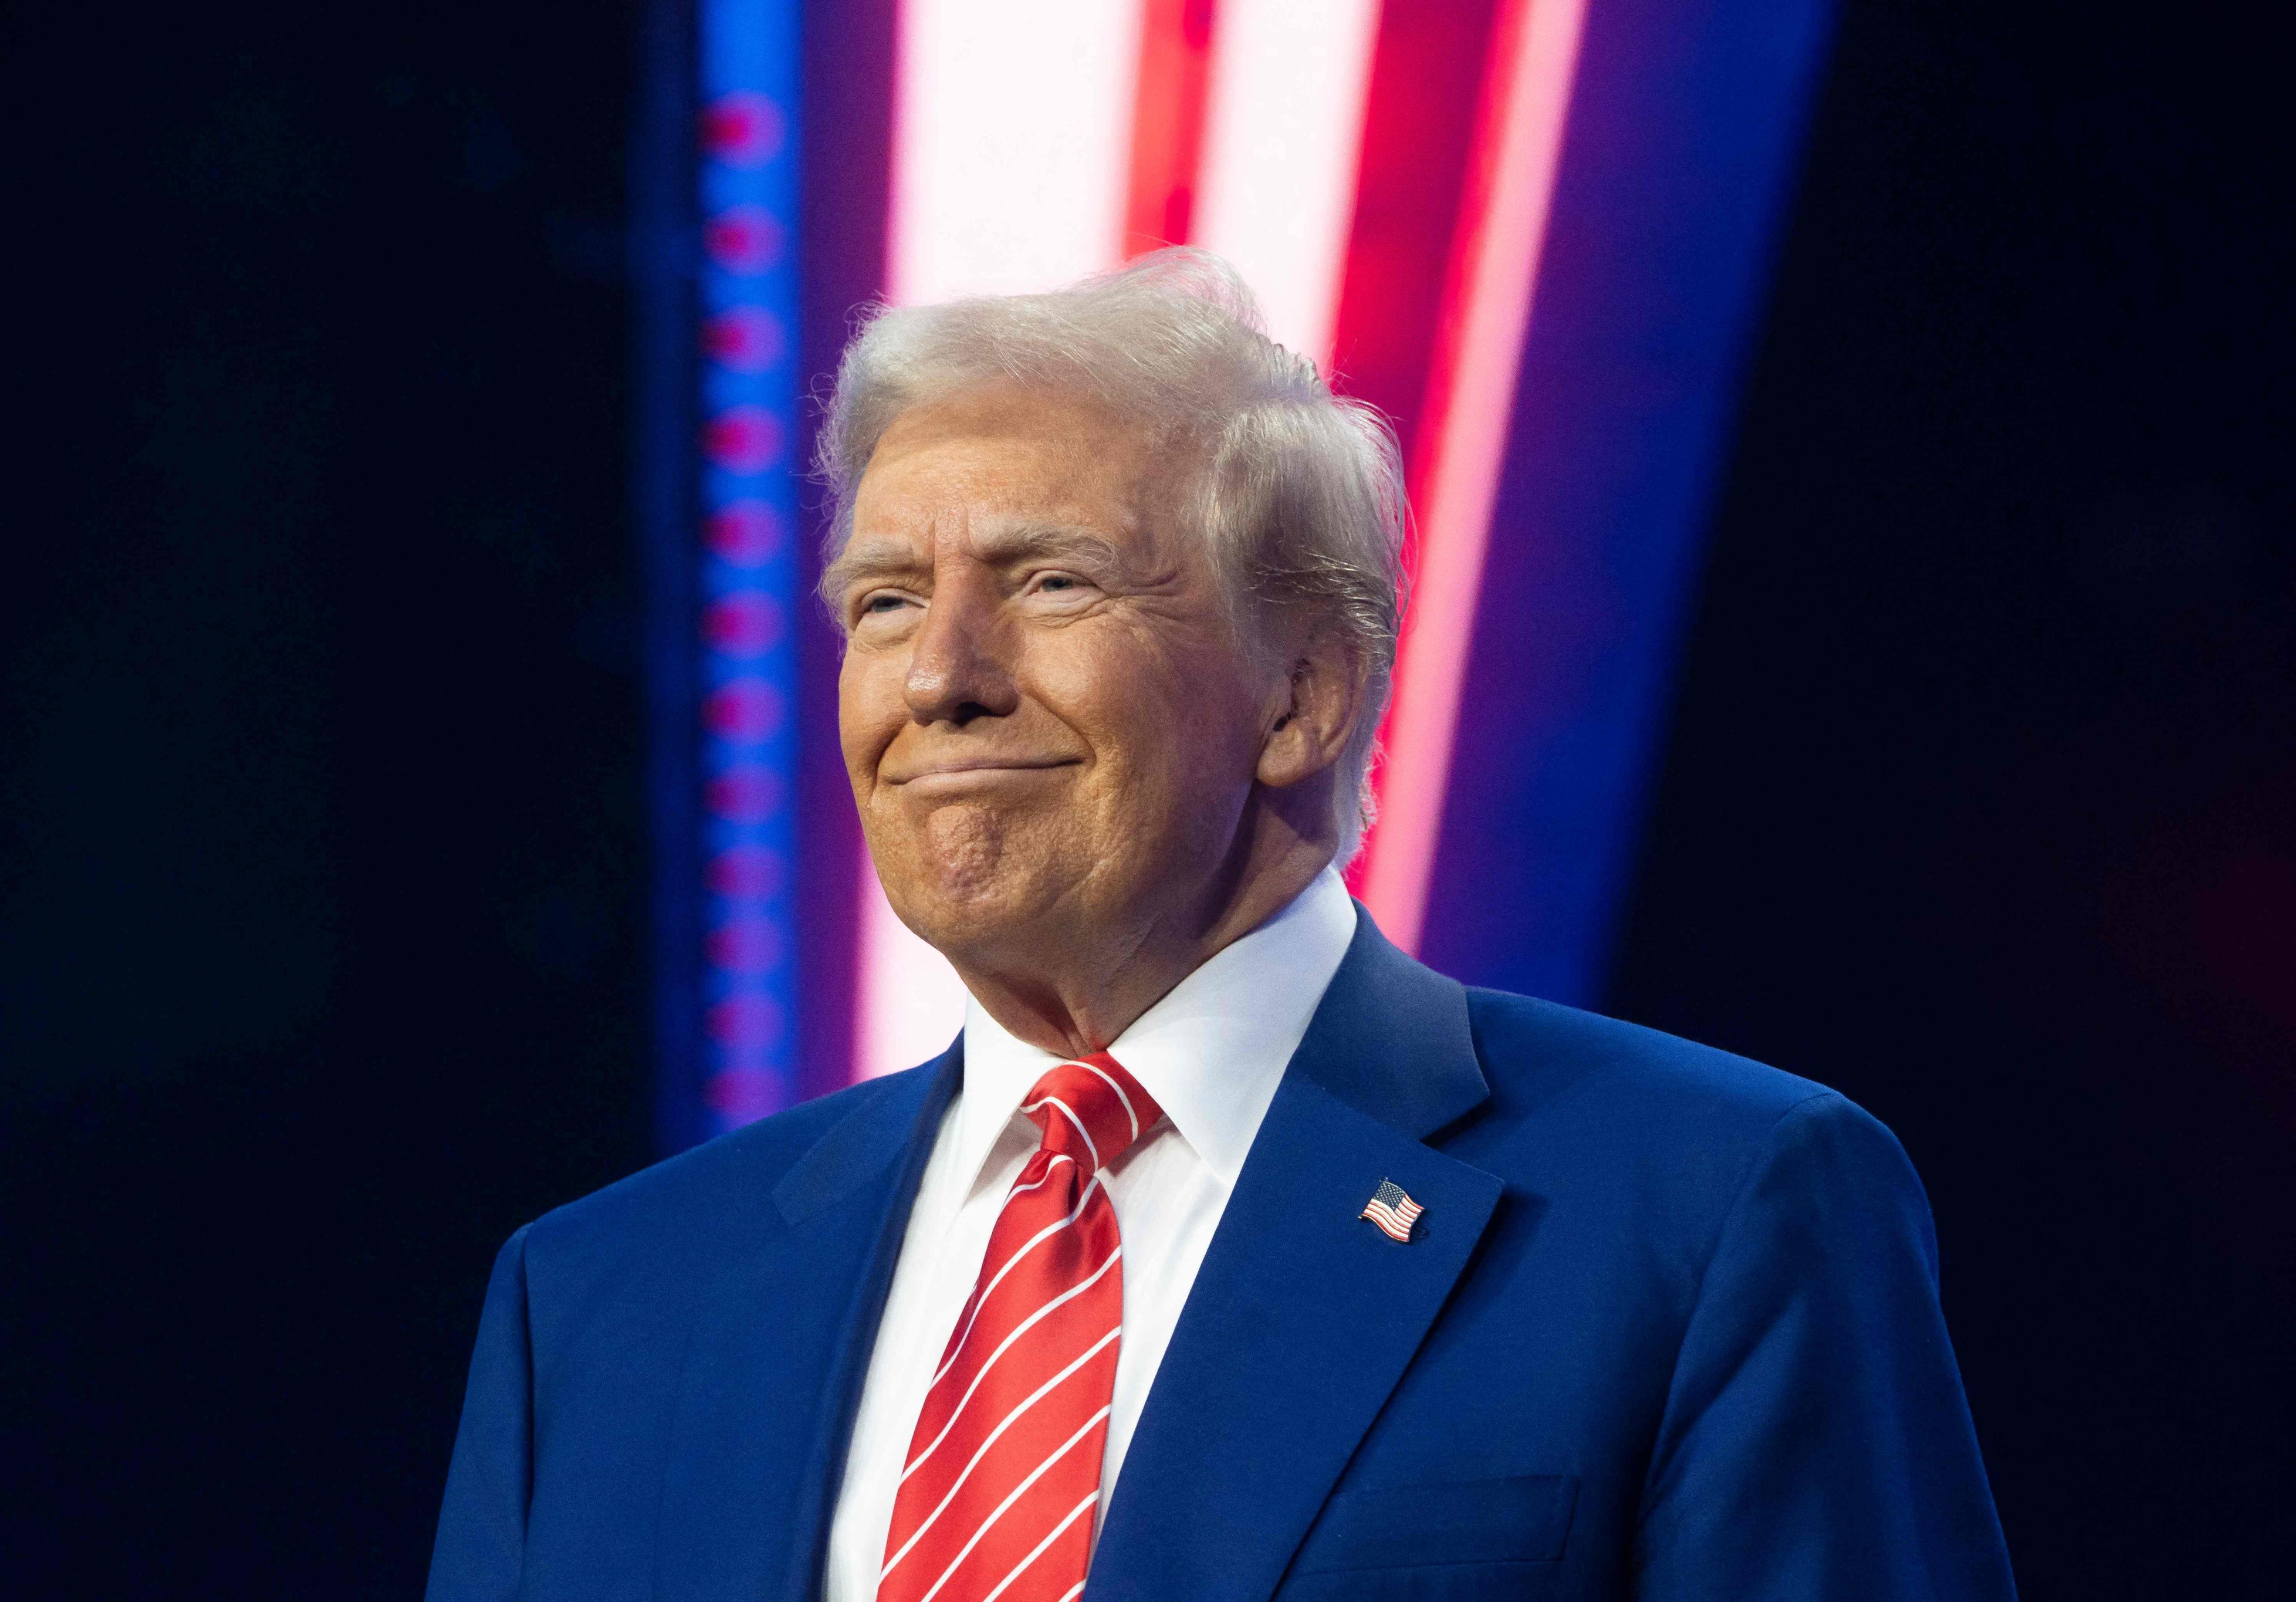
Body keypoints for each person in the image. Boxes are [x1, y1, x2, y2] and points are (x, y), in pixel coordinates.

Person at [425, 251, 2013, 1602]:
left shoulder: (1717, 1209)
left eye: (1050, 582)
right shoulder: (601, 1304)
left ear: (1302, 693)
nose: (939, 677)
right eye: (886, 599)